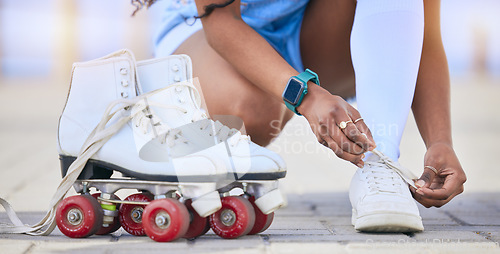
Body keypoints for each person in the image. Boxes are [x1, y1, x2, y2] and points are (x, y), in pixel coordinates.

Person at [147, 0, 466, 232]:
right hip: (212, 29)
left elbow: (423, 34)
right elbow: (220, 21)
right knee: (252, 112)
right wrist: (307, 96)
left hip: (312, 27)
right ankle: (153, 108)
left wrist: (440, 140)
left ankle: (379, 164)